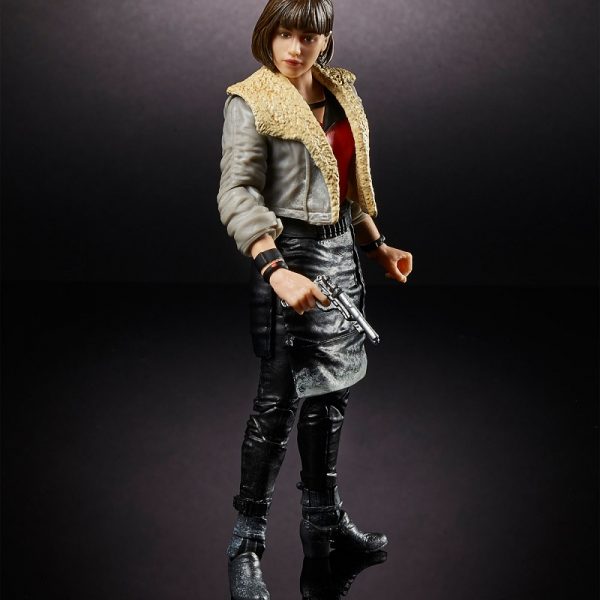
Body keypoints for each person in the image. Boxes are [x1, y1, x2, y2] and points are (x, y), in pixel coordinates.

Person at [217, 1, 412, 598]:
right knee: (276, 406)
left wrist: (376, 245)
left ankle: (323, 524)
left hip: (341, 258)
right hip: (289, 258)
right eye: (285, 35)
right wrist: (275, 270)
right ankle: (246, 544)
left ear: (325, 39)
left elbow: (345, 186)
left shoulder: (340, 92)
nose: (295, 48)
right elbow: (237, 192)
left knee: (331, 397)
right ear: (268, 35)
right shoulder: (251, 100)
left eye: (308, 36)